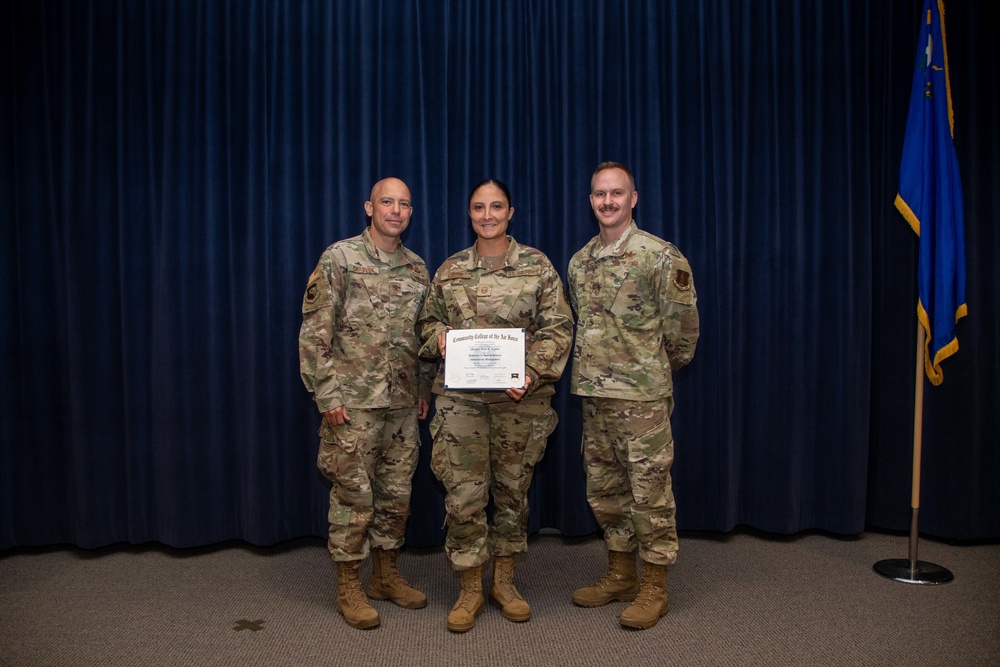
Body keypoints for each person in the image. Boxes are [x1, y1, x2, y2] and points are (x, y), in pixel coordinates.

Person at [417, 179, 573, 633]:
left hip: (518, 402)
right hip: (460, 405)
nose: (487, 215)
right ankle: (470, 588)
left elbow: (559, 328)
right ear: (470, 214)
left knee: (511, 494)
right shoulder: (450, 271)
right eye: (478, 207)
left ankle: (504, 583)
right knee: (463, 498)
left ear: (510, 212)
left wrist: (532, 370)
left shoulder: (538, 267)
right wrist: (439, 338)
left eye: (496, 207)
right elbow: (425, 326)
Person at [567, 162, 699, 630]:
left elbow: (682, 334)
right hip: (594, 397)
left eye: (616, 194)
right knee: (606, 492)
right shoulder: (579, 262)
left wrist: (651, 371)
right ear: (591, 200)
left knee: (650, 494)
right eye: (600, 194)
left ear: (633, 198)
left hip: (642, 401)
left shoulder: (659, 257)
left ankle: (655, 588)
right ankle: (621, 574)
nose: (608, 201)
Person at [299, 177, 433, 630]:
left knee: (396, 495)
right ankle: (349, 585)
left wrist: (423, 388)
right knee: (353, 497)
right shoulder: (340, 259)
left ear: (411, 213)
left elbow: (424, 335)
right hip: (351, 405)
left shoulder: (417, 268)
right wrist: (328, 396)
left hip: (400, 405)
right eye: (387, 202)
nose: (396, 210)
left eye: (404, 204)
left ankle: (386, 575)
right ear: (369, 207)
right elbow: (316, 334)